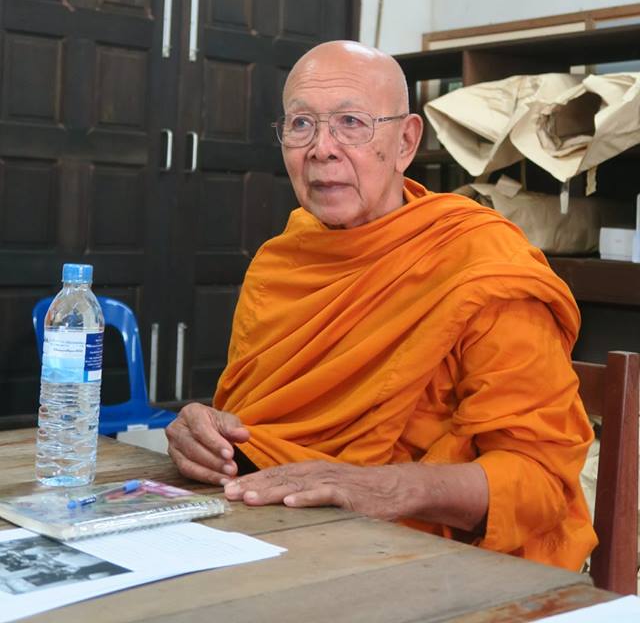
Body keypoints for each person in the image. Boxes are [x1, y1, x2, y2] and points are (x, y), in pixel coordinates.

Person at [167, 40, 596, 570]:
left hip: (435, 563)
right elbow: (258, 427)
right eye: (301, 124)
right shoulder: (282, 263)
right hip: (277, 536)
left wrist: (386, 487)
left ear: (406, 142)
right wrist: (204, 434)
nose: (321, 149)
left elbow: (540, 480)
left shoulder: (481, 264)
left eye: (351, 123)